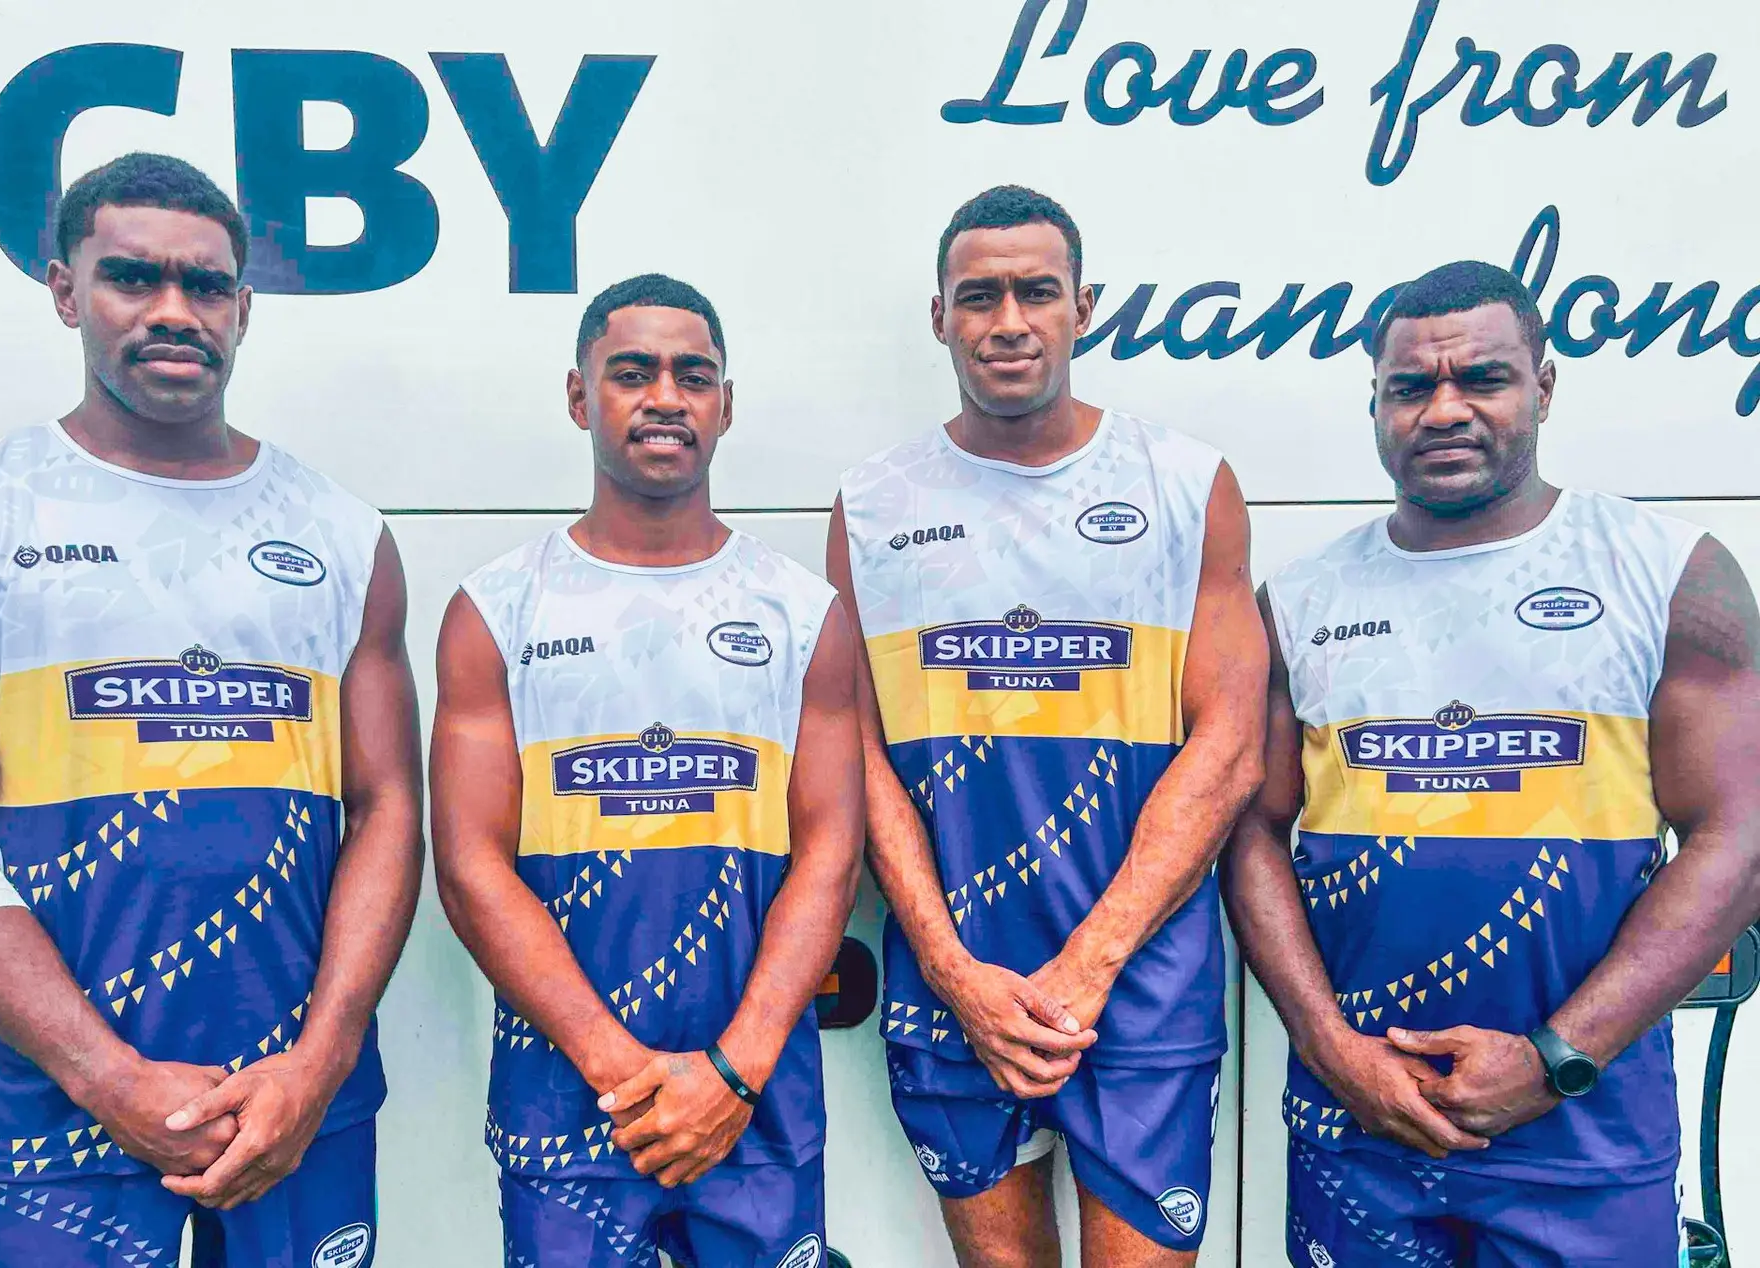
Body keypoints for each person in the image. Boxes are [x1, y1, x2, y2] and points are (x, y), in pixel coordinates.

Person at [0, 152, 423, 1267]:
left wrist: (322, 1055)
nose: (174, 311)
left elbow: (387, 808)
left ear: (245, 309)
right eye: (132, 278)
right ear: (66, 289)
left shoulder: (344, 535)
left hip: (297, 1107)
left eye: (205, 286)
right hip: (58, 1115)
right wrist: (102, 1072)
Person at [1224, 259, 1760, 1267]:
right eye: (1411, 386)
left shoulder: (1666, 571)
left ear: (1544, 386)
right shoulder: (1301, 600)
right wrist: (1334, 1053)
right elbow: (1249, 829)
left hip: (1580, 1133)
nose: (1445, 408)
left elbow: (1740, 834)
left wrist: (1556, 1058)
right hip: (1361, 1129)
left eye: (1484, 377)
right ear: (1375, 404)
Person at [827, 186, 1267, 1266]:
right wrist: (949, 964)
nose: (1009, 321)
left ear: (1085, 307)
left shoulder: (1184, 483)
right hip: (957, 984)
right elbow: (856, 754)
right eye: (979, 297)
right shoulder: (873, 505)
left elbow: (1231, 747)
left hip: (1141, 986)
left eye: (1036, 292)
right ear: (941, 317)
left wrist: (1090, 962)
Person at [430, 274, 862, 1266]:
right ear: (582, 397)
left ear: (725, 405)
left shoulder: (801, 611)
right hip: (567, 1103)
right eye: (633, 372)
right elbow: (469, 864)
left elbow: (832, 848)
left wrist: (736, 1069)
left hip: (758, 1105)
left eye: (693, 375)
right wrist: (625, 1070)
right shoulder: (497, 609)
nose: (665, 395)